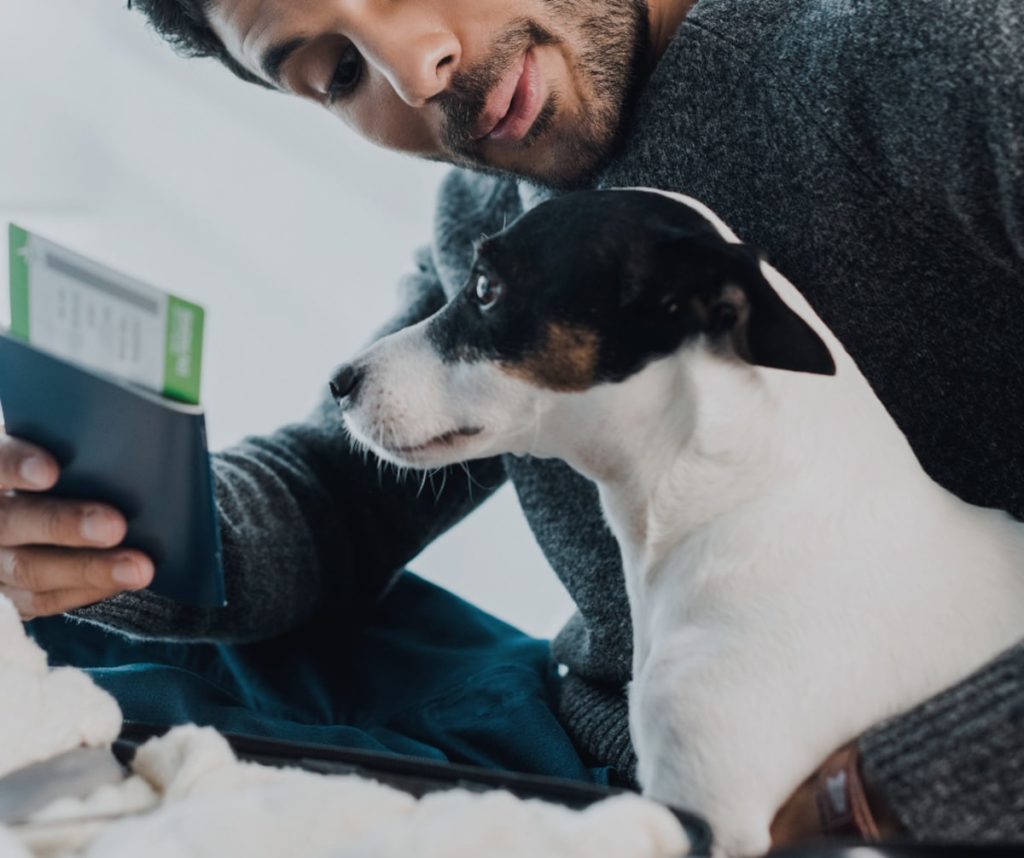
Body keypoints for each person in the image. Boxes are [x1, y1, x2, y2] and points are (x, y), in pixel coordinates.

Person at [1, 0, 1021, 845]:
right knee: (73, 659)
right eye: (335, 73)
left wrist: (881, 796)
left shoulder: (949, 64)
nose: (414, 66)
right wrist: (108, 522)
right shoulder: (487, 211)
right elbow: (337, 495)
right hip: (574, 728)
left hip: (820, 777)